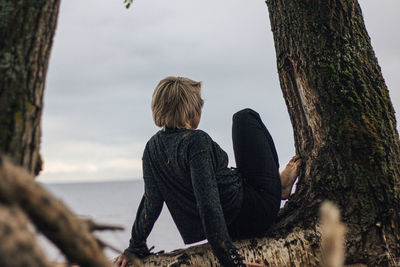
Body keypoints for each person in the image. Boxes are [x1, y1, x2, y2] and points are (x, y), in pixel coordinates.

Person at [114, 76, 301, 267]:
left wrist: (135, 247)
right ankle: (280, 187)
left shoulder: (152, 148)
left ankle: (278, 185)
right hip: (256, 211)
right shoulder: (196, 141)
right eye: (200, 104)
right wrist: (230, 261)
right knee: (244, 117)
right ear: (192, 110)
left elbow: (151, 202)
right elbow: (208, 203)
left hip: (231, 227)